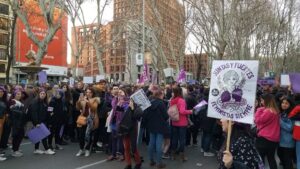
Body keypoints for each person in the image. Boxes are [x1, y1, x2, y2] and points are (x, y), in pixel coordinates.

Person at [143, 88, 169, 168]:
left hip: (151, 126)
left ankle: (151, 160)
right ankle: (159, 163)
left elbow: (146, 115)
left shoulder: (149, 103)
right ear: (160, 95)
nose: (163, 96)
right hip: (160, 126)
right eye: (163, 94)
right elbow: (166, 116)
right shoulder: (161, 103)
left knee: (151, 143)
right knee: (158, 144)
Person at [118, 88, 143, 169]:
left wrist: (132, 108)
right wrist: (118, 105)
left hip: (132, 127)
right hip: (124, 127)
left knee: (133, 147)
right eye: (119, 92)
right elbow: (118, 112)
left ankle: (138, 162)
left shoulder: (134, 103)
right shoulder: (121, 102)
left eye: (121, 92)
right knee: (126, 147)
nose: (120, 93)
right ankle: (128, 164)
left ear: (125, 93)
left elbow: (137, 116)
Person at [255, 94, 280, 169]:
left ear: (266, 100)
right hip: (274, 139)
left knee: (261, 159)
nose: (261, 102)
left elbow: (258, 120)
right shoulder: (275, 110)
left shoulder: (267, 111)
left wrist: (259, 109)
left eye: (262, 100)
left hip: (264, 138)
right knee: (271, 158)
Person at [28, 88, 55, 155]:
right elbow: (34, 113)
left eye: (44, 94)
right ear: (39, 94)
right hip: (39, 122)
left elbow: (47, 110)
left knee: (38, 135)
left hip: (43, 121)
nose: (43, 95)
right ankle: (47, 149)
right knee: (43, 136)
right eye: (41, 93)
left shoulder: (44, 102)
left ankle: (36, 149)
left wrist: (50, 113)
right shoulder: (35, 102)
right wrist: (36, 123)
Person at [170, 86, 192, 161]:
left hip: (174, 121)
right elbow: (182, 111)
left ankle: (173, 155)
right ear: (180, 92)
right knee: (182, 139)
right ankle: (182, 156)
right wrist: (190, 111)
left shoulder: (172, 100)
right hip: (182, 122)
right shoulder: (181, 100)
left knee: (174, 138)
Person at [75, 87, 99, 157]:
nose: (88, 94)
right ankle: (81, 149)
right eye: (87, 92)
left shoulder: (95, 99)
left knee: (88, 136)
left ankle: (87, 149)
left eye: (90, 92)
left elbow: (94, 108)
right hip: (83, 119)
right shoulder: (83, 99)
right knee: (81, 136)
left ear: (92, 93)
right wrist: (79, 101)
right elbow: (78, 108)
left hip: (91, 120)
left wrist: (88, 101)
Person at [277, 96, 295, 169]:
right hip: (280, 141)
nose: (284, 104)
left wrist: (279, 120)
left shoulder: (292, 114)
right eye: (283, 103)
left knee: (287, 161)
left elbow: (290, 128)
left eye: (286, 103)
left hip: (288, 142)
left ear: (290, 105)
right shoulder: (281, 113)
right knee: (281, 157)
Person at [9, 89, 27, 157]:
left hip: (21, 122)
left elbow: (26, 95)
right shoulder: (12, 101)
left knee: (21, 135)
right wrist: (22, 112)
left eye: (20, 94)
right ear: (14, 94)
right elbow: (13, 112)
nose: (19, 95)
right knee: (16, 136)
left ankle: (16, 149)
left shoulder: (20, 101)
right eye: (17, 94)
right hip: (15, 122)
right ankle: (14, 150)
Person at [0, 86, 7, 161]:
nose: (1, 93)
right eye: (0, 91)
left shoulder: (2, 100)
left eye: (2, 92)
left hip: (2, 119)